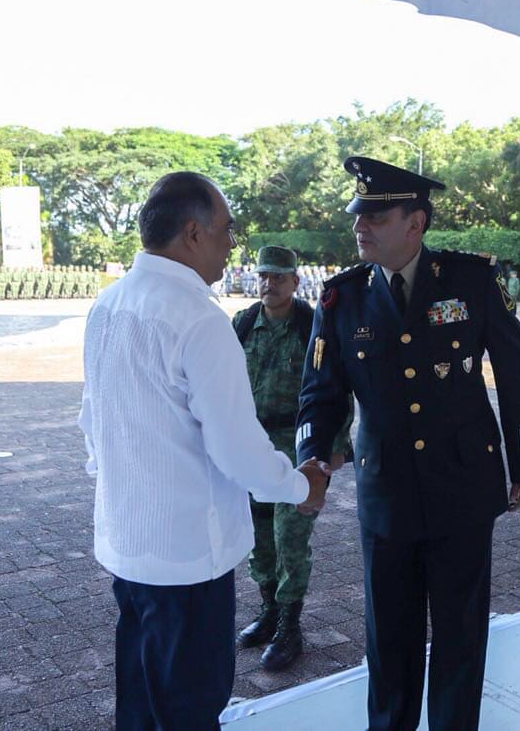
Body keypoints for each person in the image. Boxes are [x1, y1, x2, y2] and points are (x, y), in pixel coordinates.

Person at [296, 156, 520, 731]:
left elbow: (515, 371)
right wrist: (313, 455)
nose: (361, 226)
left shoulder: (472, 281)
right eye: (360, 215)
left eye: (377, 217)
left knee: (460, 637)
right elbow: (320, 392)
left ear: (416, 223)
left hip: (464, 486)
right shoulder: (342, 298)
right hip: (386, 495)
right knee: (389, 640)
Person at [77, 172, 330, 730]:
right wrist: (300, 487)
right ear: (193, 233)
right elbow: (237, 450)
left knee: (142, 701)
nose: (229, 246)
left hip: (128, 546)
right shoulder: (199, 320)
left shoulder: (108, 305)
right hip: (188, 559)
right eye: (225, 232)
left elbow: (92, 422)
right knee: (191, 707)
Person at [232, 245, 353, 672]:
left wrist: (334, 448)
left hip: (298, 451)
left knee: (290, 540)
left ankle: (290, 627)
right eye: (264, 275)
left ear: (295, 282)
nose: (270, 284)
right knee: (259, 539)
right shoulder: (243, 324)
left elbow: (336, 389)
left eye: (279, 277)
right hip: (253, 449)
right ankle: (267, 613)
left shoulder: (311, 326)